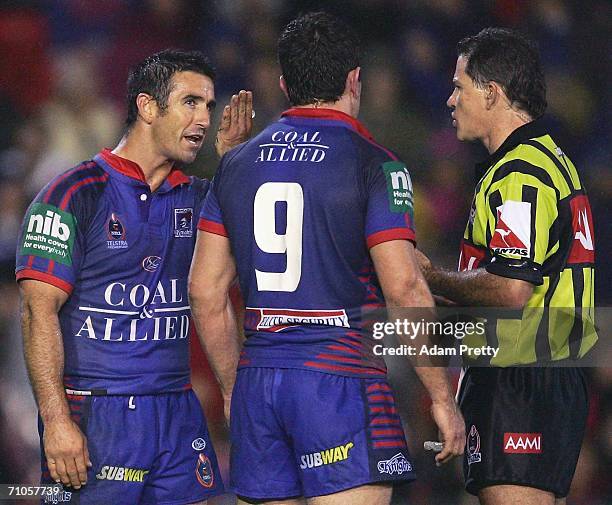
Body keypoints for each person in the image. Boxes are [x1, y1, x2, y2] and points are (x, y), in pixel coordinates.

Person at [189, 12, 464, 505]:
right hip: (340, 383)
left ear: (283, 84)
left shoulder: (236, 163)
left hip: (260, 385)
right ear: (354, 80)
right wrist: (441, 396)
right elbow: (403, 288)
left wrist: (234, 389)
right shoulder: (374, 163)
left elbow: (205, 292)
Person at [16, 49, 253, 505]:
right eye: (190, 103)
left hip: (178, 407)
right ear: (147, 107)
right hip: (97, 412)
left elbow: (251, 263)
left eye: (208, 105)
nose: (205, 118)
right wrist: (58, 420)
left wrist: (235, 163)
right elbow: (35, 312)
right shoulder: (71, 195)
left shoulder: (201, 197)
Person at [416, 28, 597, 505]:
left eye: (460, 87)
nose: (451, 100)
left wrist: (429, 277)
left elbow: (511, 288)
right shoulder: (551, 159)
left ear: (492, 93)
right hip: (551, 372)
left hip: (521, 376)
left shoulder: (520, 172)